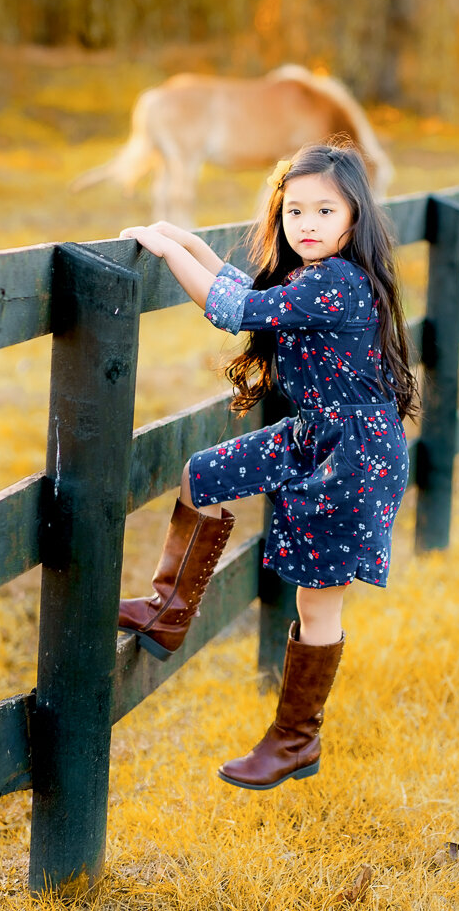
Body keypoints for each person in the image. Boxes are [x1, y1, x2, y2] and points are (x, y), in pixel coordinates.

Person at [117, 140, 419, 791]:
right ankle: (168, 609)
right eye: (294, 212)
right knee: (204, 474)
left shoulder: (337, 283)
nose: (306, 224)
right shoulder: (312, 278)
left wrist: (169, 251)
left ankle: (295, 739)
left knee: (317, 602)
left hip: (355, 455)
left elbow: (232, 310)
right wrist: (187, 242)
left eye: (324, 212)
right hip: (316, 433)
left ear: (354, 219)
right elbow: (244, 288)